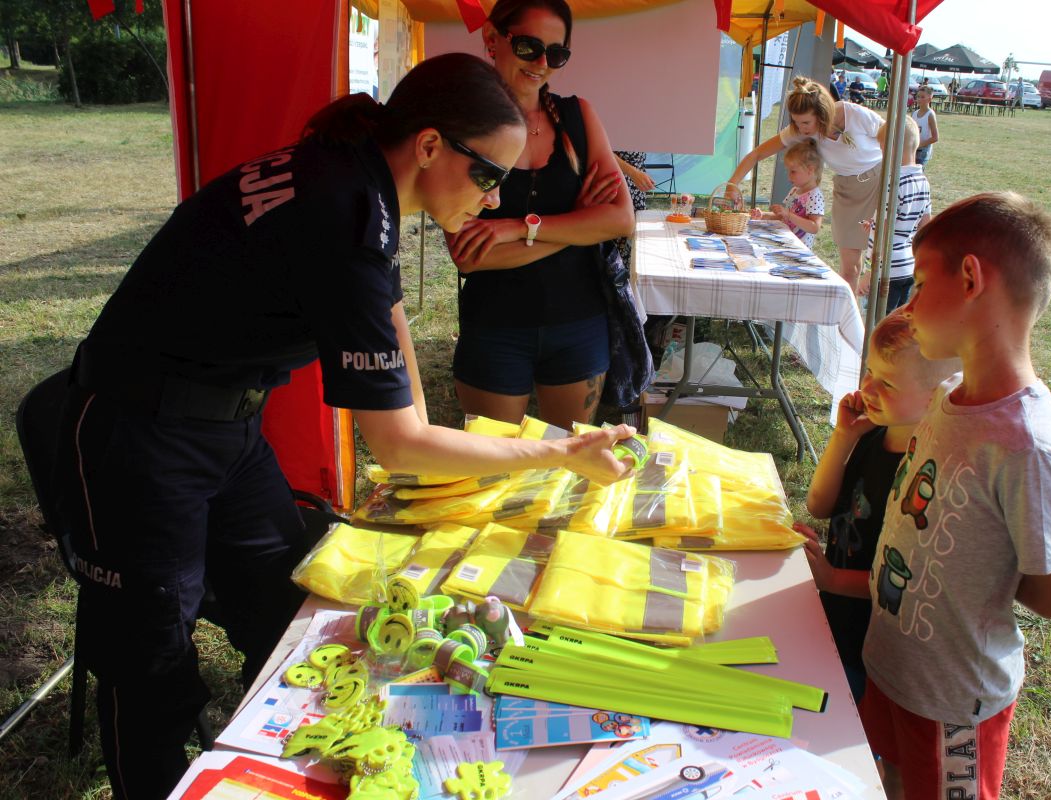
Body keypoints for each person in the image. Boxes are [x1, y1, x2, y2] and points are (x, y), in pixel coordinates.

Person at [53, 53, 637, 800]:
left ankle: (278, 765)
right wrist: (559, 456)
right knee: (153, 673)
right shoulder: (349, 220)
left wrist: (504, 441)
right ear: (430, 147)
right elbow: (398, 447)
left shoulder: (359, 173)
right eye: (489, 176)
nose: (493, 201)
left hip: (225, 424)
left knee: (285, 613)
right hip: (138, 432)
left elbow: (405, 387)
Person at [860, 192, 1051, 800]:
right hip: (895, 666)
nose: (910, 304)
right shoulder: (945, 394)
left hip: (954, 697)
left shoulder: (1024, 444)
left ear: (970, 278)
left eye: (920, 283)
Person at [446, 0, 635, 430]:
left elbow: (622, 220)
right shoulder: (464, 123)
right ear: (492, 38)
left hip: (579, 323)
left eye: (557, 53)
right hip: (495, 326)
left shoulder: (578, 116)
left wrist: (520, 227)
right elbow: (468, 254)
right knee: (491, 476)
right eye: (529, 46)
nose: (542, 63)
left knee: (569, 471)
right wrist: (582, 224)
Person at [798, 310, 960, 703]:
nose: (867, 389)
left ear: (935, 397)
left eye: (887, 383)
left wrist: (833, 579)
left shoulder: (926, 471)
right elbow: (819, 506)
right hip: (834, 614)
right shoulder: (875, 433)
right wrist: (843, 437)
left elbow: (907, 577)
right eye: (868, 372)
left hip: (871, 635)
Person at [728, 76, 884, 289]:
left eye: (806, 122)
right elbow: (757, 154)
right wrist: (733, 184)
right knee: (850, 267)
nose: (801, 129)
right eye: (796, 122)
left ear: (822, 114)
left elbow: (893, 136)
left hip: (880, 181)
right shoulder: (800, 130)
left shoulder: (853, 114)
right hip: (847, 190)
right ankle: (846, 319)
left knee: (881, 262)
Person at [861, 116, 932, 312]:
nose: (882, 154)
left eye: (883, 148)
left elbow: (883, 233)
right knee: (896, 327)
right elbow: (924, 226)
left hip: (886, 272)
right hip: (908, 267)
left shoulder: (892, 185)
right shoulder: (922, 181)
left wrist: (869, 272)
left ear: (894, 147)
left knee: (877, 326)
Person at [749, 140, 824, 249]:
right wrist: (763, 215)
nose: (789, 176)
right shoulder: (794, 191)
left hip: (799, 250)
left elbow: (814, 227)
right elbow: (782, 217)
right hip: (785, 243)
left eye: (793, 171)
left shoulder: (815, 196)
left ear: (810, 170)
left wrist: (789, 215)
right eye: (788, 171)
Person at [614, 150, 653, 265]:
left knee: (633, 236)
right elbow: (604, 152)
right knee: (619, 236)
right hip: (618, 183)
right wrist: (633, 173)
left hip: (636, 185)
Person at [911, 85, 938, 166]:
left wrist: (920, 144)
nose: (919, 99)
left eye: (922, 97)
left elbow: (935, 138)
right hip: (913, 149)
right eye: (918, 96)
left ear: (929, 99)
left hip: (923, 151)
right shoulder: (914, 113)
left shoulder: (930, 115)